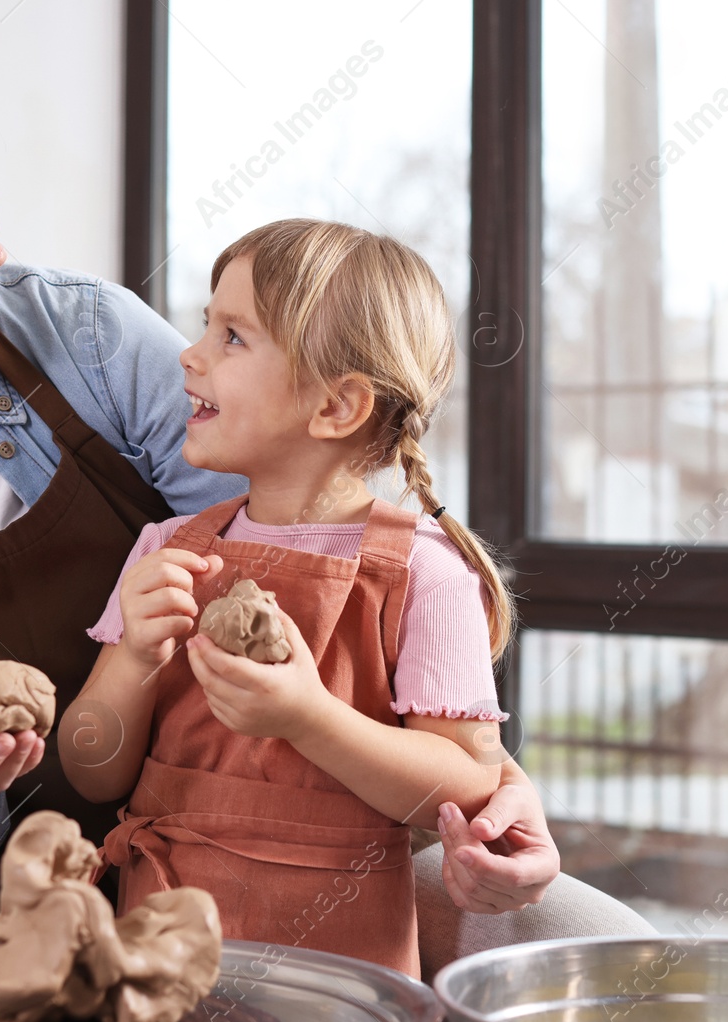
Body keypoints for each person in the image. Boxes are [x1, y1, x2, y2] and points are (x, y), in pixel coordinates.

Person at [0, 24, 651, 971]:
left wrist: (492, 784)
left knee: (610, 961)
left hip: (289, 816)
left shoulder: (85, 339)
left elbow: (309, 529)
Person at [65, 219, 530, 979]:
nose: (190, 354)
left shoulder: (427, 573)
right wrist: (134, 660)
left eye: (232, 337)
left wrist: (307, 719)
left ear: (338, 406)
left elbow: (465, 784)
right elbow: (92, 769)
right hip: (161, 967)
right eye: (205, 327)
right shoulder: (165, 549)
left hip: (344, 994)